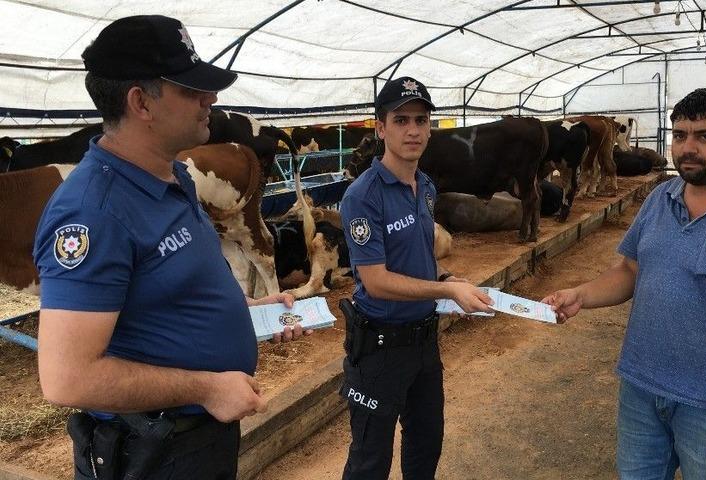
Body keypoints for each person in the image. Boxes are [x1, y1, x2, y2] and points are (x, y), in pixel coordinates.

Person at [34, 15, 307, 480]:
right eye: (190, 89)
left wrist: (248, 309)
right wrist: (207, 387)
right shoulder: (92, 212)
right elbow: (67, 378)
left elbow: (171, 287)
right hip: (153, 453)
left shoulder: (174, 175)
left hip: (195, 439)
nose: (211, 99)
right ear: (141, 102)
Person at [543, 88, 706, 479]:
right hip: (641, 387)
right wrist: (580, 295)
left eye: (705, 136)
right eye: (680, 135)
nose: (687, 148)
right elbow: (630, 272)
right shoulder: (660, 199)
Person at [338, 76, 494, 479]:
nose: (413, 130)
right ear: (380, 127)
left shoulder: (424, 186)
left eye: (421, 120)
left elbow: (420, 256)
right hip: (380, 347)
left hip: (424, 342)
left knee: (426, 446)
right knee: (370, 461)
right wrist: (445, 289)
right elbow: (375, 281)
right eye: (401, 119)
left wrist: (449, 277)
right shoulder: (362, 195)